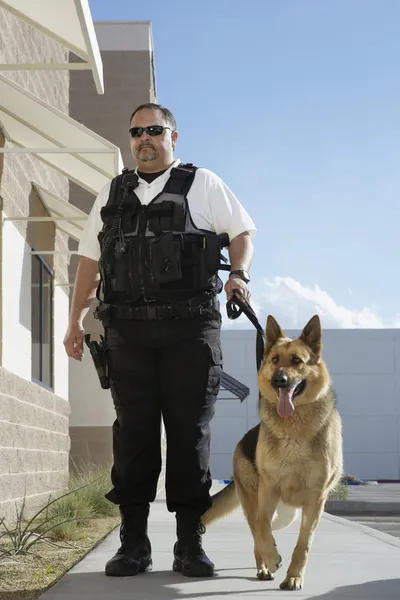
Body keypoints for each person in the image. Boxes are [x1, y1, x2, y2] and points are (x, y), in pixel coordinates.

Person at [63, 103, 256, 579]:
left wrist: (239, 274)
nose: (144, 139)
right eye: (136, 132)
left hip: (190, 331)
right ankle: (134, 544)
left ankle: (190, 544)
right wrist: (73, 321)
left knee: (190, 436)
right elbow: (89, 262)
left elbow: (242, 231)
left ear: (174, 137)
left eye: (154, 130)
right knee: (134, 436)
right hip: (127, 334)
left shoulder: (203, 183)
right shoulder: (113, 192)